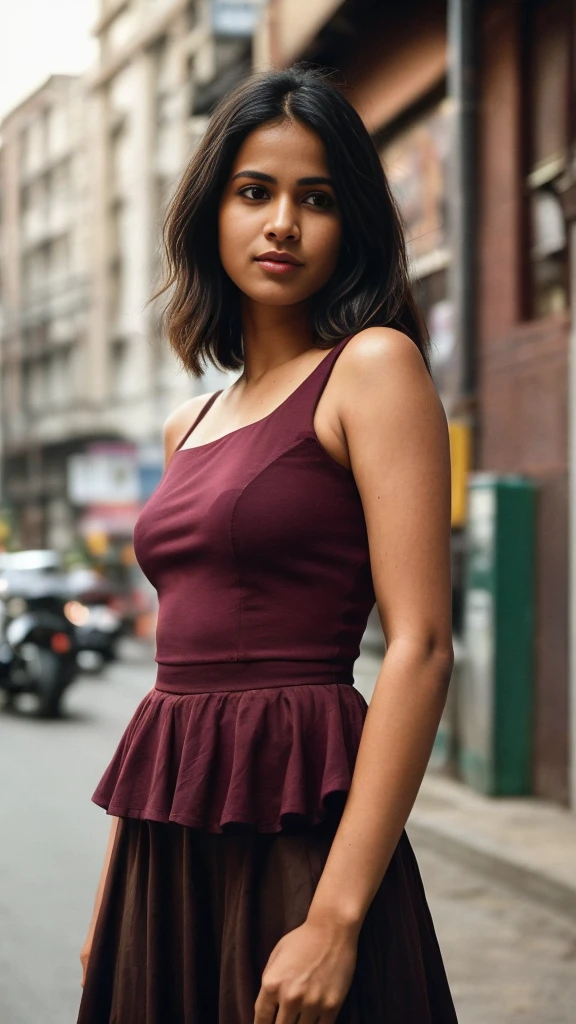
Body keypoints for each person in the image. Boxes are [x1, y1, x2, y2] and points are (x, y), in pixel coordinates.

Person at [77, 66, 458, 1024]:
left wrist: (334, 919)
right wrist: (113, 898)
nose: (282, 222)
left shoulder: (372, 368)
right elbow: (175, 692)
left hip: (301, 836)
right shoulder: (187, 423)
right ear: (212, 212)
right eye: (255, 192)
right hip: (167, 858)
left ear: (351, 224)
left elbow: (419, 645)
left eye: (316, 199)